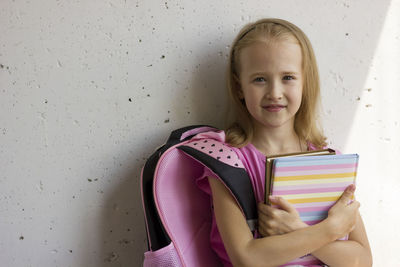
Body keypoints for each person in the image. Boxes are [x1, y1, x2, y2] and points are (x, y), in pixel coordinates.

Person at [197, 18, 372, 266]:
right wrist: (329, 230)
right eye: (259, 79)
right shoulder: (227, 162)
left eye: (288, 77)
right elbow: (247, 258)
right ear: (239, 87)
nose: (275, 92)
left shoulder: (328, 160)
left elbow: (362, 261)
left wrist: (296, 228)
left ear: (305, 83)